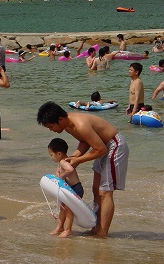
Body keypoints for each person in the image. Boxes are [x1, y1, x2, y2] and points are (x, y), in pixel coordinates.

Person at [37, 101, 129, 237]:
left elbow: (101, 149)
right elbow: (85, 141)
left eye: (51, 127)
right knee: (96, 190)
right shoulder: (68, 126)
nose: (51, 130)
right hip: (102, 146)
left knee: (105, 192)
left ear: (60, 120)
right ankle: (96, 229)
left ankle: (102, 232)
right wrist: (75, 156)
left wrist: (78, 160)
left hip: (114, 146)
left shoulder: (80, 124)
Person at [47, 138, 84, 238]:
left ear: (59, 154)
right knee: (62, 208)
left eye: (51, 155)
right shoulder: (62, 162)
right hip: (70, 188)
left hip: (76, 188)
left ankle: (68, 230)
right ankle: (60, 227)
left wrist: (62, 176)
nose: (51, 157)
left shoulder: (63, 162)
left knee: (68, 209)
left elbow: (70, 169)